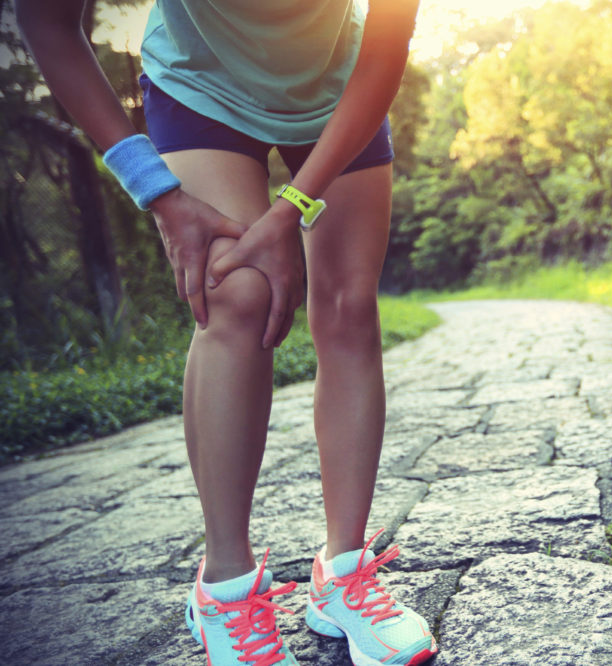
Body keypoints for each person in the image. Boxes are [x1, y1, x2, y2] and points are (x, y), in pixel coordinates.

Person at [15, 1, 437, 664]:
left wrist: (294, 204)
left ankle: (344, 574)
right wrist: (156, 190)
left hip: (339, 85)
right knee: (236, 293)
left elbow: (387, 44)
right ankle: (227, 589)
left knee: (350, 306)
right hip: (200, 86)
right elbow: (45, 20)